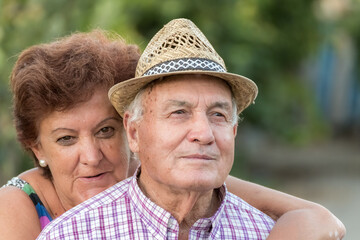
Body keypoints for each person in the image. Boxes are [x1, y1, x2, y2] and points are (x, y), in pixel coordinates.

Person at [36, 19, 345, 240]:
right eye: (179, 113)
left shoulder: (267, 233)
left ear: (233, 133)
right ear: (133, 133)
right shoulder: (73, 233)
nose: (204, 133)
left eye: (219, 115)